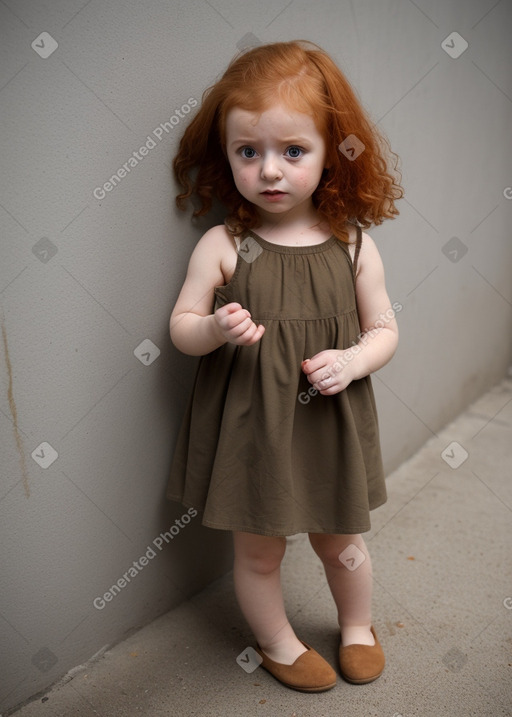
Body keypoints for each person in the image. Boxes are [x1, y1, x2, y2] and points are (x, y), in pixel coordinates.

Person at [166, 39, 403, 693]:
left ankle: (358, 625)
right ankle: (276, 641)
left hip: (326, 417)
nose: (269, 171)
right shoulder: (224, 245)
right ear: (229, 154)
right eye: (249, 152)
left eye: (292, 151)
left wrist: (355, 359)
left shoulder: (352, 244)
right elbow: (181, 329)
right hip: (252, 427)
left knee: (341, 539)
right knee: (260, 547)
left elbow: (385, 330)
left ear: (333, 152)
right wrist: (214, 326)